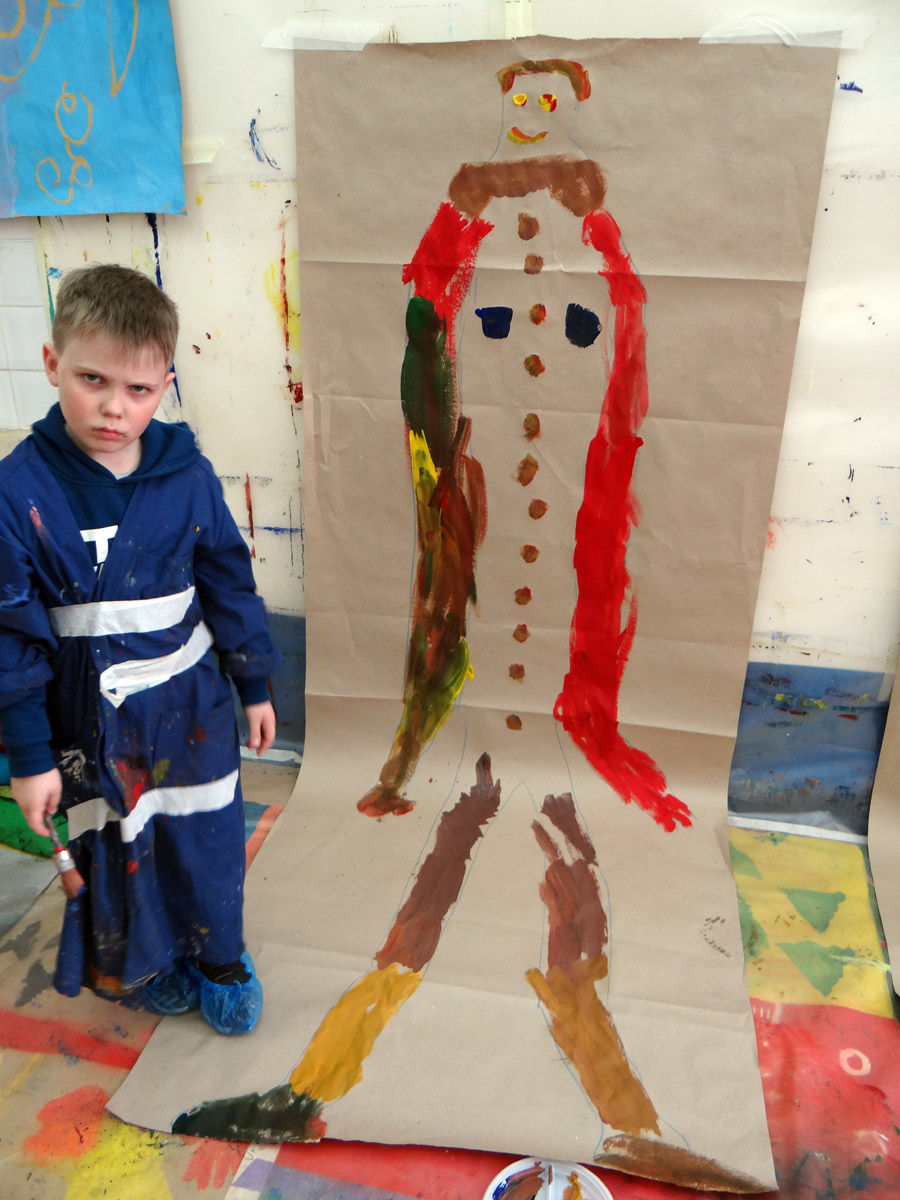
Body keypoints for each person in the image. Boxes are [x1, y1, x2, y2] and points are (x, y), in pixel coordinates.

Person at [0, 264, 281, 1035]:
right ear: (52, 362)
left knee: (205, 832)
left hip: (189, 707)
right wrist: (29, 757)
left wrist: (254, 682)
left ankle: (220, 957)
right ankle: (152, 957)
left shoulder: (185, 474)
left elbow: (228, 580)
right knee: (123, 840)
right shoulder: (15, 492)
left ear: (166, 386)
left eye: (139, 389)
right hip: (86, 718)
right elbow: (10, 638)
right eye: (92, 379)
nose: (114, 407)